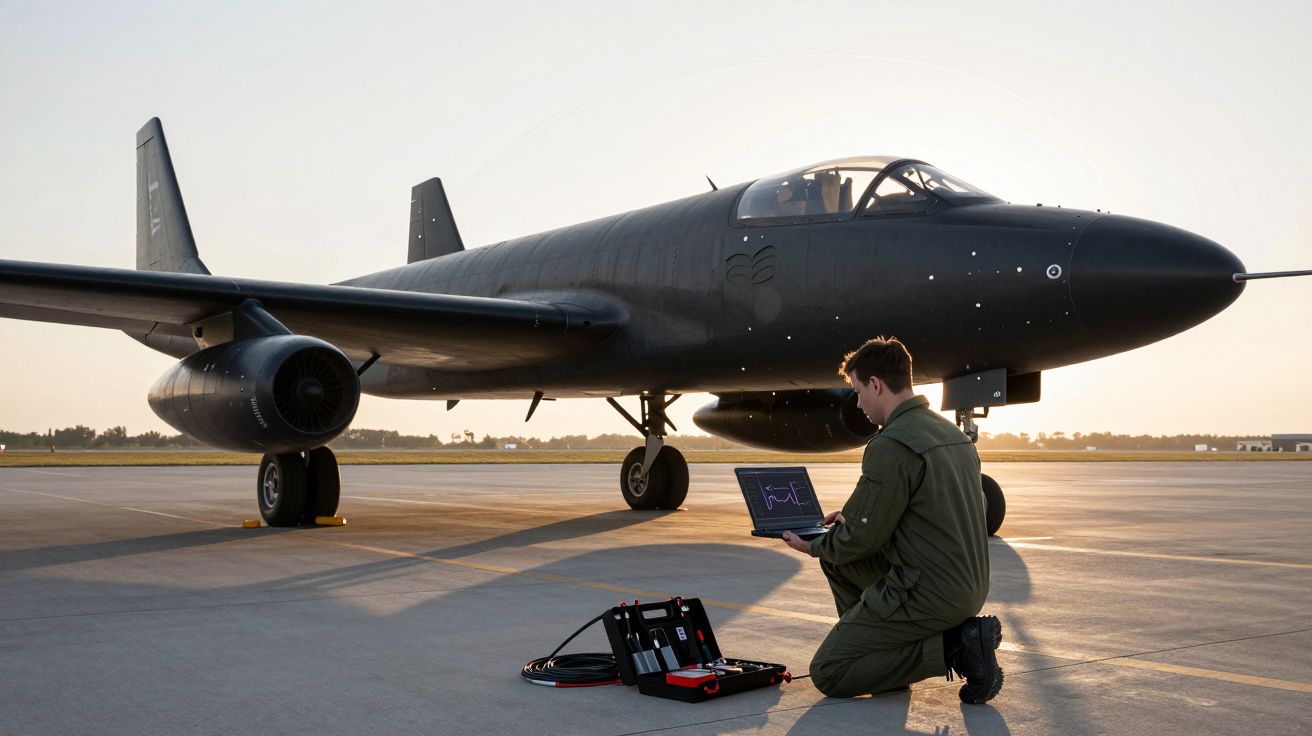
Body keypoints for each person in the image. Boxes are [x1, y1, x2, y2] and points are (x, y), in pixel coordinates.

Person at [779, 336, 1002, 703]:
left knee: (829, 672)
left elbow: (860, 540)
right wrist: (850, 525)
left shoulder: (893, 443)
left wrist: (812, 544)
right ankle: (887, 666)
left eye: (857, 390)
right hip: (969, 586)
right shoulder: (951, 435)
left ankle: (956, 648)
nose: (859, 402)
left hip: (928, 592)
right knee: (839, 563)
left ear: (876, 385)